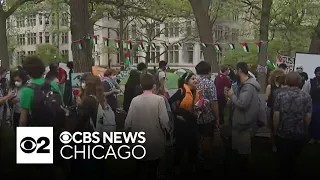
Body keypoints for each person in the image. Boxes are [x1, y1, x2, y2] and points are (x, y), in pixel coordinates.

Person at [125, 73, 170, 180]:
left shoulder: (135, 100)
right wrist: (169, 133)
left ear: (141, 85)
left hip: (138, 141)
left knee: (139, 169)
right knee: (152, 170)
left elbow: (128, 123)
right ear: (154, 85)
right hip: (155, 140)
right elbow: (165, 121)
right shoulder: (159, 100)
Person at [274, 72, 312, 176]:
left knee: (282, 159)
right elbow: (308, 117)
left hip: (282, 133)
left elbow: (276, 115)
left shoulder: (280, 95)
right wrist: (305, 128)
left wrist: (275, 130)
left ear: (287, 81)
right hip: (298, 133)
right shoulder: (307, 96)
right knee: (294, 159)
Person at [227, 62, 261, 175]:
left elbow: (242, 103)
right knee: (239, 149)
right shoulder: (243, 84)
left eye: (236, 70)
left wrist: (232, 95)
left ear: (240, 70)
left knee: (243, 151)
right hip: (241, 122)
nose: (234, 73)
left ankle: (243, 171)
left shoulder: (248, 86)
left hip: (244, 123)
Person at [73, 74, 105, 179]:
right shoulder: (98, 98)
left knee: (87, 167)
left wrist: (79, 105)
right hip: (97, 137)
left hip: (87, 138)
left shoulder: (88, 100)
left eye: (83, 83)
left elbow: (82, 119)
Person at [169, 72, 199, 175]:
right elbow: (170, 103)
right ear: (187, 81)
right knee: (180, 147)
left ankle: (191, 166)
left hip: (193, 122)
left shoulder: (196, 92)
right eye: (192, 79)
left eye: (196, 78)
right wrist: (176, 115)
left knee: (194, 146)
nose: (195, 80)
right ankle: (175, 167)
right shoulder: (181, 91)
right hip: (181, 124)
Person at [195, 61, 219, 162]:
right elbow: (214, 102)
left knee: (197, 138)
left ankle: (197, 157)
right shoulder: (210, 83)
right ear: (209, 71)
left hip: (194, 115)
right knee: (207, 138)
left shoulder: (194, 82)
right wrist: (217, 117)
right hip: (207, 116)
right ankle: (206, 160)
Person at [265, 69, 285, 152]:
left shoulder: (284, 86)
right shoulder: (270, 86)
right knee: (273, 128)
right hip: (271, 109)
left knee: (281, 127)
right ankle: (273, 144)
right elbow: (266, 98)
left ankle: (281, 143)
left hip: (282, 109)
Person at [302, 66, 320, 144]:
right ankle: (312, 137)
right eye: (318, 73)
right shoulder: (310, 81)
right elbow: (305, 92)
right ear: (315, 74)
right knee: (312, 121)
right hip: (312, 104)